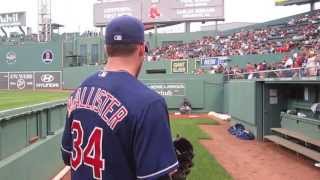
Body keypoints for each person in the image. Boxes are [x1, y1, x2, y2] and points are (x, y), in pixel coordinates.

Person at [61, 16, 179, 180]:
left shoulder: (79, 92)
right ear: (141, 49)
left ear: (106, 49)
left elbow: (67, 155)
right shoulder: (150, 103)